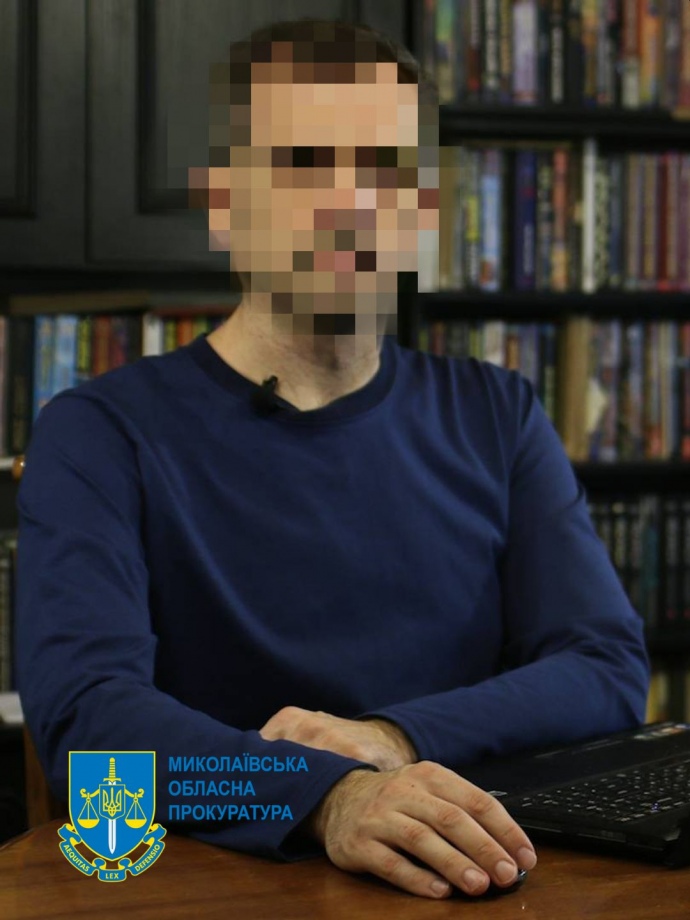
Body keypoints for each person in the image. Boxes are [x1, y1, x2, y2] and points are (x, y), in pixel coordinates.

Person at [15, 17, 649, 902]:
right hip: (214, 892)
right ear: (223, 204)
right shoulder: (98, 433)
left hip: (470, 877)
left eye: (384, 169)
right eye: (304, 163)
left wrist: (393, 739)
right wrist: (328, 797)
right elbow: (89, 728)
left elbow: (605, 668)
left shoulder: (498, 413)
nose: (350, 202)